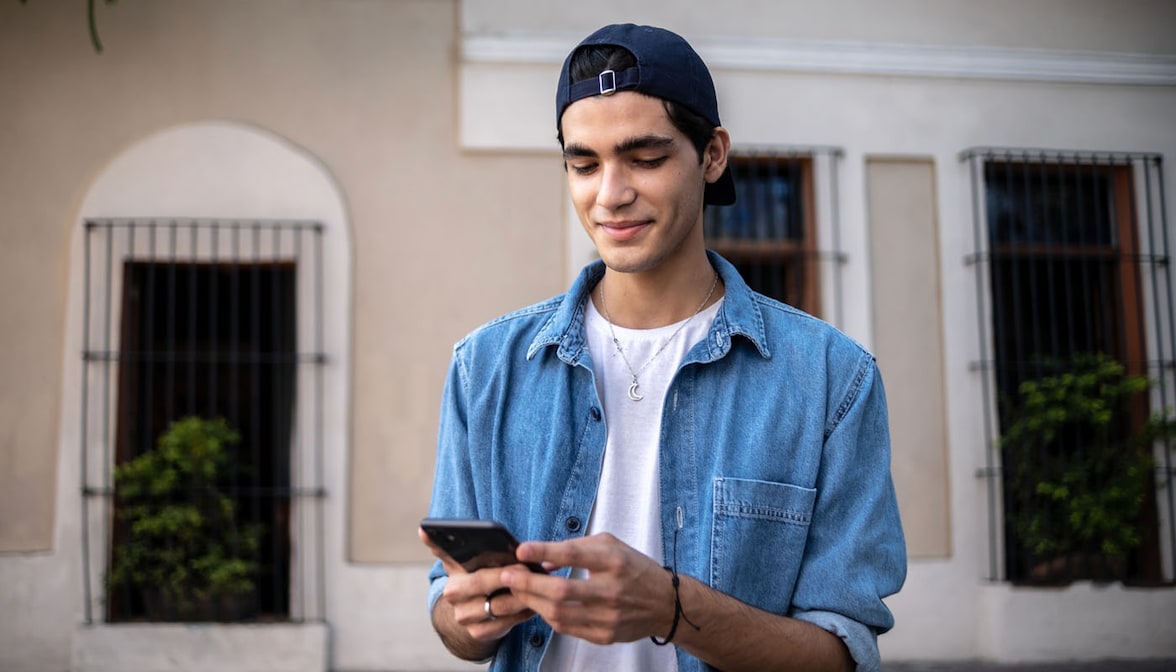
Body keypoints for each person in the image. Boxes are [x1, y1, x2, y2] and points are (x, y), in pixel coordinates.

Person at [420, 23, 906, 672]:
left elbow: (843, 656)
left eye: (644, 158)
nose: (610, 194)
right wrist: (471, 617)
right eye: (583, 163)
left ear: (712, 155)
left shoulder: (831, 379)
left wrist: (671, 611)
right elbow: (450, 619)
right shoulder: (484, 368)